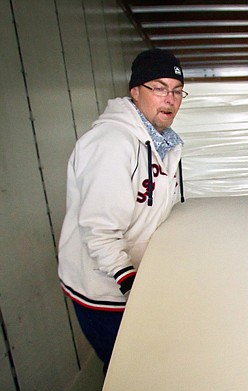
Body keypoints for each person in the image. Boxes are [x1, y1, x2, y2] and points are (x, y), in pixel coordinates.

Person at [58, 48, 187, 372]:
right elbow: (98, 229)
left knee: (145, 367)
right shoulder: (112, 143)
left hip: (136, 279)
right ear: (135, 92)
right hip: (104, 290)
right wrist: (130, 283)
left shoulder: (164, 143)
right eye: (158, 88)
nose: (169, 99)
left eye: (176, 90)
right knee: (126, 375)